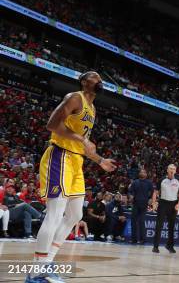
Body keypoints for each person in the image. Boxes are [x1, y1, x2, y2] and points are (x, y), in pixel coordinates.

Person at [28, 71, 116, 282]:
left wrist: (100, 160)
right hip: (59, 156)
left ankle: (47, 263)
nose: (100, 81)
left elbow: (83, 144)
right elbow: (52, 124)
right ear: (85, 82)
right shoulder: (74, 97)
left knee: (75, 216)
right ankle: (35, 272)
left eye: (101, 78)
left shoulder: (92, 109)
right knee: (55, 214)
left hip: (76, 162)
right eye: (95, 78)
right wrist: (80, 139)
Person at [151, 164, 179, 253]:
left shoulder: (178, 180)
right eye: (170, 168)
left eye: (174, 169)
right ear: (167, 170)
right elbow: (155, 192)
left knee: (172, 226)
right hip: (163, 203)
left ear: (176, 171)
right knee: (159, 225)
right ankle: (155, 246)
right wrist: (154, 203)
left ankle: (170, 246)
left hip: (173, 204)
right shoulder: (162, 179)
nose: (172, 170)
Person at [128, 168, 154, 244]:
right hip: (135, 204)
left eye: (144, 172)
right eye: (141, 172)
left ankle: (142, 239)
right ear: (139, 174)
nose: (142, 173)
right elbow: (130, 191)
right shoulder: (135, 182)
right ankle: (134, 239)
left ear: (146, 174)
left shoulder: (149, 183)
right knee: (133, 222)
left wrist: (150, 199)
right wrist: (130, 196)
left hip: (144, 204)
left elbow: (152, 192)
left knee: (141, 221)